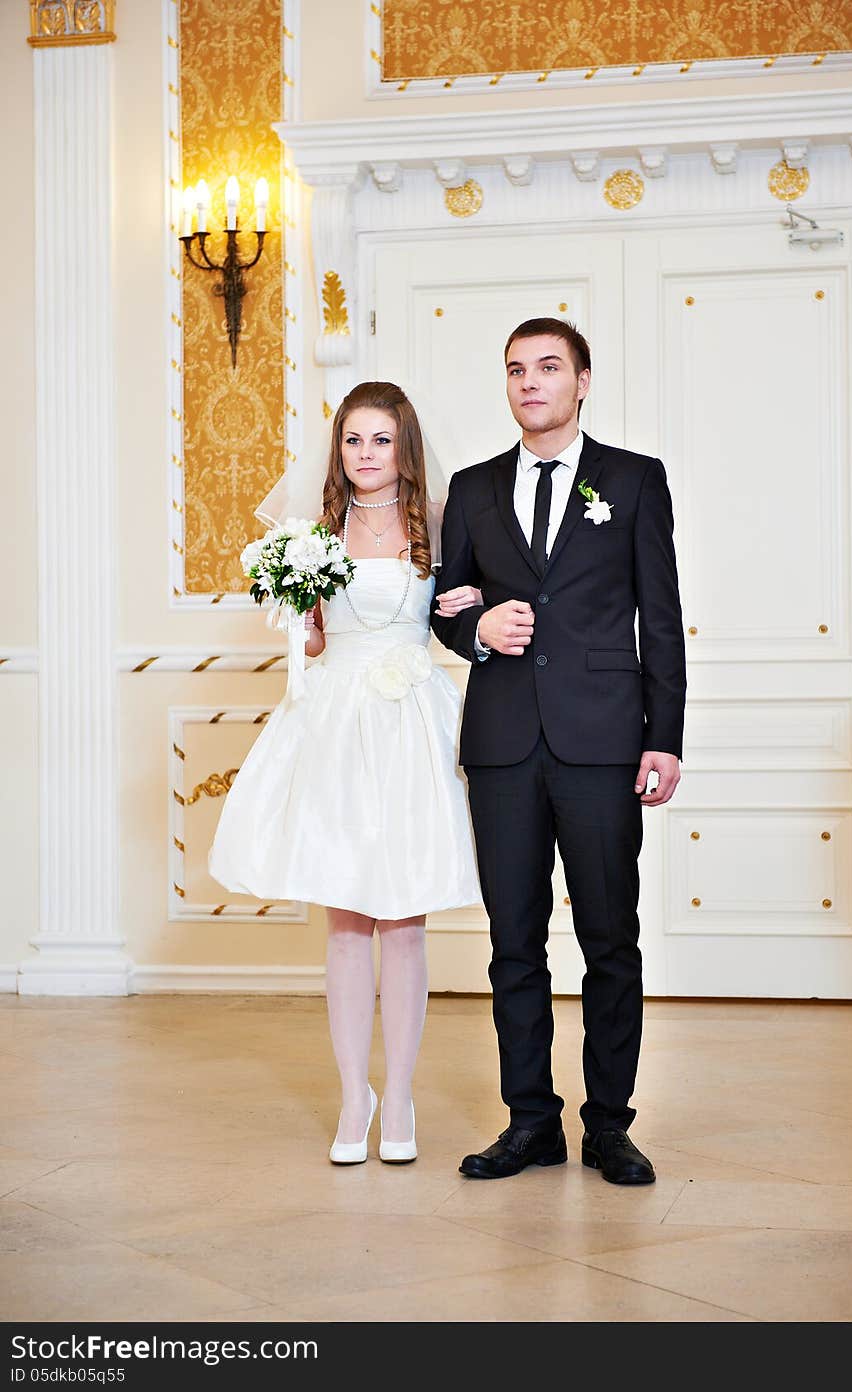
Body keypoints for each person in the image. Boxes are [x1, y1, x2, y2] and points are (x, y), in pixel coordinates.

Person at [430, 318, 686, 1184]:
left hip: (605, 741)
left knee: (611, 937)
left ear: (582, 381)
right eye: (515, 369)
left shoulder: (635, 481)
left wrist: (666, 738)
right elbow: (445, 605)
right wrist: (476, 629)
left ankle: (609, 1125)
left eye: (548, 368)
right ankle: (530, 1121)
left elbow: (662, 615)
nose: (530, 382)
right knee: (514, 941)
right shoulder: (470, 488)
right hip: (504, 744)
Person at [209, 381, 482, 1166]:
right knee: (346, 922)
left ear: (405, 446)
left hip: (411, 725)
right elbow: (318, 645)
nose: (366, 455)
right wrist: (301, 618)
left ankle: (399, 1095)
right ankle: (351, 1095)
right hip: (335, 722)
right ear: (339, 451)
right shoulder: (316, 532)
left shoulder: (439, 522)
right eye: (353, 441)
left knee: (404, 918)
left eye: (381, 440)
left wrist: (465, 602)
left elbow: (458, 618)